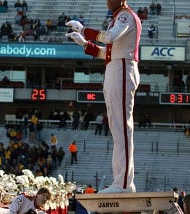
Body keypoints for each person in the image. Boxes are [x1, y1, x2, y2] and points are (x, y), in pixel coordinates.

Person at [65, 0, 141, 193]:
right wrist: (84, 43)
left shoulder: (125, 16)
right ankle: (120, 181)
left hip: (123, 67)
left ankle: (123, 183)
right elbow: (106, 53)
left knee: (122, 128)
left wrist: (84, 30)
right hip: (116, 66)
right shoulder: (117, 17)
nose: (107, 0)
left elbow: (110, 38)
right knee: (117, 129)